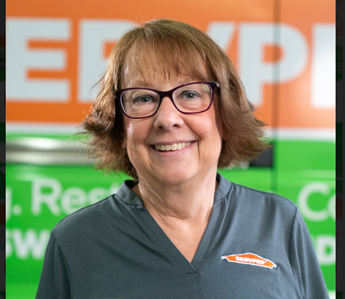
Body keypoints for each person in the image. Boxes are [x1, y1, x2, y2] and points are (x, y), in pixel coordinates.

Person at [36, 19, 329, 298]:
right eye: (143, 98)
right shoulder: (76, 241)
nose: (167, 119)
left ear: (225, 116)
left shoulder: (279, 222)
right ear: (120, 127)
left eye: (190, 94)